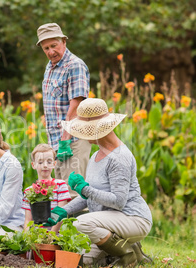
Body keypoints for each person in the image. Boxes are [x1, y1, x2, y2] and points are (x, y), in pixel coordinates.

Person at [46, 98, 153, 267]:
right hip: (111, 221)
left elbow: (118, 202)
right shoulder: (96, 156)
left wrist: (85, 188)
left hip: (133, 218)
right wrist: (63, 211)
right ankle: (132, 249)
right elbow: (88, 196)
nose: (81, 135)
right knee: (86, 260)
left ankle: (128, 254)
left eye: (85, 130)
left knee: (81, 223)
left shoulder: (119, 158)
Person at [36, 22, 92, 198]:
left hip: (72, 141)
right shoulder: (50, 67)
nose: (51, 52)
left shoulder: (74, 65)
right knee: (61, 195)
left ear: (64, 42)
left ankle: (82, 226)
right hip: (56, 143)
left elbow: (76, 106)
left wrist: (65, 140)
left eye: (54, 46)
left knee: (73, 194)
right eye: (46, 48)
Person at [22, 144, 71, 233]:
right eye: (40, 162)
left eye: (49, 162)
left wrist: (51, 236)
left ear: (54, 164)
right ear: (33, 165)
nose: (45, 165)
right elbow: (28, 221)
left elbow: (61, 214)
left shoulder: (60, 185)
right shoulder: (29, 191)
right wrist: (27, 238)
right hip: (37, 236)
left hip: (57, 235)